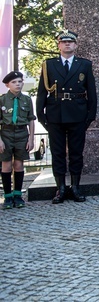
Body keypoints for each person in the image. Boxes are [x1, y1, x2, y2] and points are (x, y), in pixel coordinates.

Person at [36, 30, 97, 204]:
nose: (67, 44)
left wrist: (90, 116)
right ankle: (61, 188)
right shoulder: (49, 65)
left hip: (78, 114)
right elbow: (42, 92)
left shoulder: (84, 65)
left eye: (70, 42)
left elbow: (91, 91)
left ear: (76, 45)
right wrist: (41, 115)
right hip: (55, 114)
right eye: (63, 42)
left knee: (77, 153)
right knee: (58, 153)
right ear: (58, 45)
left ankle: (75, 187)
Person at [0, 72, 36, 208]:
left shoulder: (26, 100)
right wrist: (0, 140)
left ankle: (18, 195)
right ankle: (8, 196)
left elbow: (31, 120)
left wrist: (31, 139)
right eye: (14, 82)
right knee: (6, 165)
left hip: (22, 134)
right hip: (6, 133)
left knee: (19, 165)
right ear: (7, 85)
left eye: (20, 82)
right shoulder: (2, 100)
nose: (18, 84)